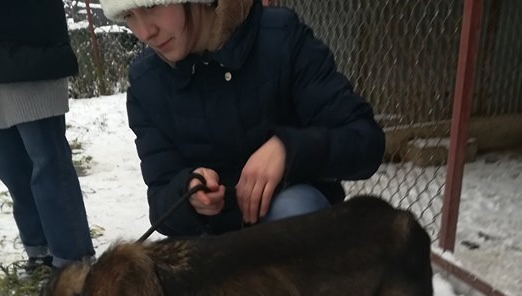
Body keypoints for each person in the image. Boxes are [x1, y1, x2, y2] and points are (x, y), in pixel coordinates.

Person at [100, 0, 385, 236]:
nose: (144, 31)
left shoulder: (280, 39)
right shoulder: (146, 84)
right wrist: (187, 193)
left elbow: (364, 141)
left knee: (294, 210)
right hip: (216, 249)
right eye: (128, 15)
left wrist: (289, 149)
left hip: (293, 235)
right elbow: (161, 201)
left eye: (152, 6)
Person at [0, 0, 95, 272]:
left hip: (29, 43)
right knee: (10, 167)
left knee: (47, 165)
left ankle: (72, 261)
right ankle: (40, 251)